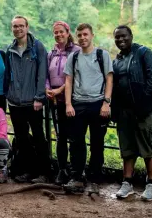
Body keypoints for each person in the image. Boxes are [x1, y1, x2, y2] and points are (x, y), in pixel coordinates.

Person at [112, 25, 152, 201]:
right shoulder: (117, 60)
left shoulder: (144, 53)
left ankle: (151, 184)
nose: (121, 40)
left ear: (131, 36)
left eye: (124, 36)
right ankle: (127, 183)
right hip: (125, 111)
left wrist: (144, 103)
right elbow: (115, 87)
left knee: (147, 146)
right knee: (127, 147)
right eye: (117, 37)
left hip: (145, 110)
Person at [64, 23, 113, 194]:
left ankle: (95, 179)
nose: (83, 38)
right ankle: (77, 177)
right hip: (78, 104)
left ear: (92, 35)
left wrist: (106, 102)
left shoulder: (102, 55)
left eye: (85, 34)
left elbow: (109, 79)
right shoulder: (74, 57)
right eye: (79, 35)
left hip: (98, 104)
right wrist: (68, 104)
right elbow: (68, 81)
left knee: (97, 143)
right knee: (76, 142)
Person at [4, 15, 51, 183]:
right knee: (22, 138)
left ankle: (45, 172)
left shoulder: (37, 47)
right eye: (15, 26)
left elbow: (42, 74)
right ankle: (30, 171)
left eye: (21, 26)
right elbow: (7, 74)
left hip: (33, 101)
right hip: (15, 102)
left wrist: (39, 97)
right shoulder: (10, 48)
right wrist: (8, 95)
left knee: (39, 136)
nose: (18, 29)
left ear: (27, 27)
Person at [46, 21, 81, 185]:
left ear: (68, 32)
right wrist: (48, 89)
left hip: (72, 100)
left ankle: (76, 172)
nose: (58, 35)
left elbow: (76, 76)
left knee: (74, 137)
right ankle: (62, 169)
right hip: (54, 100)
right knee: (60, 137)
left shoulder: (76, 51)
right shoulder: (51, 52)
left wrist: (60, 90)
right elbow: (46, 73)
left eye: (61, 32)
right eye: (56, 32)